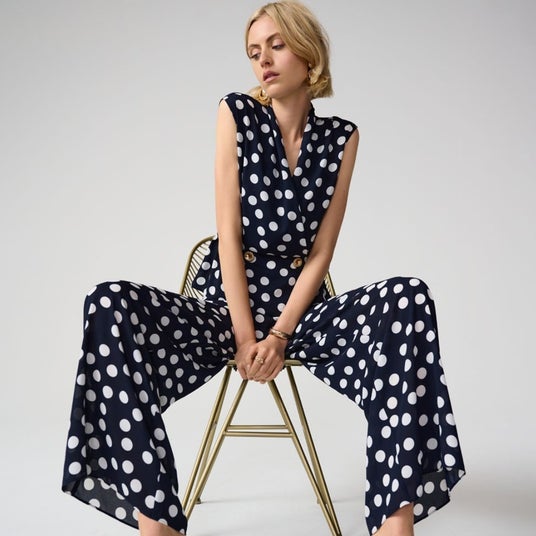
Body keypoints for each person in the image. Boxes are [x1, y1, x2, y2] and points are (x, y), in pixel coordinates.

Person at [62, 2, 465, 535]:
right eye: (254, 52)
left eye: (276, 45)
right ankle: (156, 520)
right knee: (108, 301)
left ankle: (395, 523)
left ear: (308, 54)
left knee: (408, 296)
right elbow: (227, 235)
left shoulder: (342, 138)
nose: (264, 61)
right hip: (225, 312)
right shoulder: (236, 113)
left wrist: (279, 335)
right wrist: (246, 335)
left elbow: (320, 254)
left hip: (302, 317)